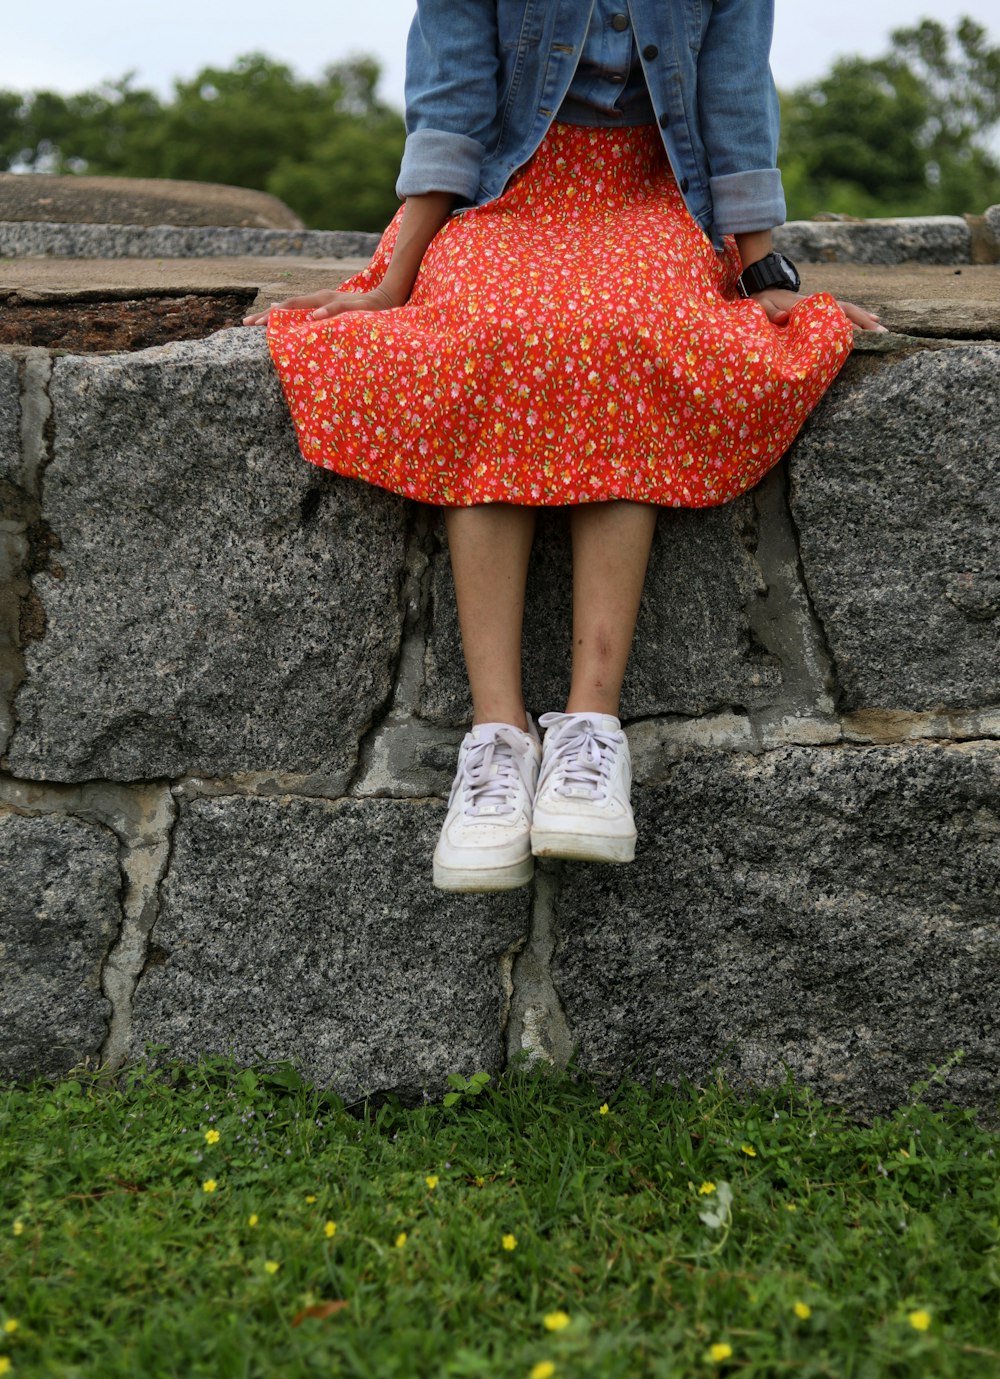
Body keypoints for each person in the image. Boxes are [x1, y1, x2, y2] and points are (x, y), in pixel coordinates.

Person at [245, 0, 886, 895]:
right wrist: (398, 283)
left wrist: (761, 271)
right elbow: (452, 105)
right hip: (504, 198)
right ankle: (497, 739)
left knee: (628, 335)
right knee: (485, 338)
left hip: (652, 202)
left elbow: (735, 101)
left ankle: (591, 730)